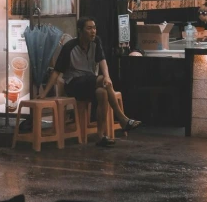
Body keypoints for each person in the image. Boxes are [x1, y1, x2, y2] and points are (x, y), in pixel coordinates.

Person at [40, 17, 141, 147]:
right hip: (74, 84)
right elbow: (56, 72)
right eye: (89, 28)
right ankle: (122, 118)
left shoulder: (96, 42)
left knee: (102, 93)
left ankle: (100, 136)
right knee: (101, 80)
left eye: (94, 28)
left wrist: (107, 77)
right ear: (80, 31)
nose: (93, 31)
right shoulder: (69, 47)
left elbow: (102, 61)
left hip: (90, 82)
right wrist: (44, 93)